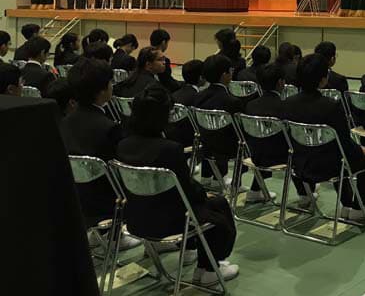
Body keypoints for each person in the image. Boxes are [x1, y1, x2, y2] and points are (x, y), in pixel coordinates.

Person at [117, 84, 239, 284]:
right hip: (170, 221)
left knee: (206, 205)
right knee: (218, 205)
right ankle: (209, 268)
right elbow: (188, 190)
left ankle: (202, 263)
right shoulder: (169, 149)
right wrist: (203, 195)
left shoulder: (123, 145)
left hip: (136, 217)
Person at [282, 53, 365, 220]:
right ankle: (357, 208)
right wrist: (362, 150)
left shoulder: (287, 103)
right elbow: (344, 143)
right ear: (323, 79)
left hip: (299, 163)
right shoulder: (331, 106)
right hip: (329, 165)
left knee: (333, 153)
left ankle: (342, 203)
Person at [60, 59, 141, 250]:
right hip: (106, 204)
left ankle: (102, 233)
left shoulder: (64, 122)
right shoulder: (108, 127)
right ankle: (114, 236)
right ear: (103, 90)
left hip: (74, 197)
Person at [242, 63, 287, 203]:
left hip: (254, 154)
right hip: (279, 157)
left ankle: (255, 190)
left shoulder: (250, 105)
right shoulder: (284, 106)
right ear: (280, 82)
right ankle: (305, 194)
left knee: (264, 141)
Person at [195, 54, 243, 183]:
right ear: (224, 75)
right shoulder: (232, 101)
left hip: (203, 144)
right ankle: (226, 180)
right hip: (227, 148)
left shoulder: (198, 96)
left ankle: (206, 177)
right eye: (230, 71)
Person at [165, 59, 205, 148]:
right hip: (188, 140)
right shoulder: (198, 98)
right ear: (201, 77)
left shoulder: (173, 94)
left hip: (169, 136)